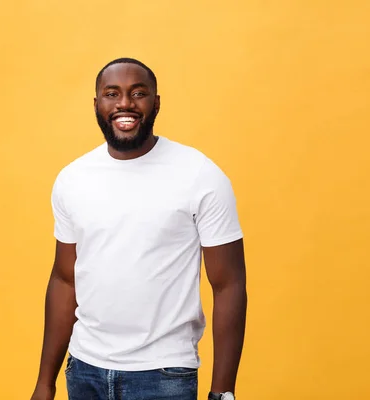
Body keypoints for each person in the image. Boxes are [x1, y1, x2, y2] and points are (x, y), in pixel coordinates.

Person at [30, 58, 247, 400]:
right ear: (97, 104)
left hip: (163, 375)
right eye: (112, 93)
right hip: (84, 369)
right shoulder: (73, 179)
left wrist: (223, 392)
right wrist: (45, 381)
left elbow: (229, 285)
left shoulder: (200, 175)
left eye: (138, 93)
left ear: (156, 103)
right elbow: (64, 279)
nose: (125, 103)